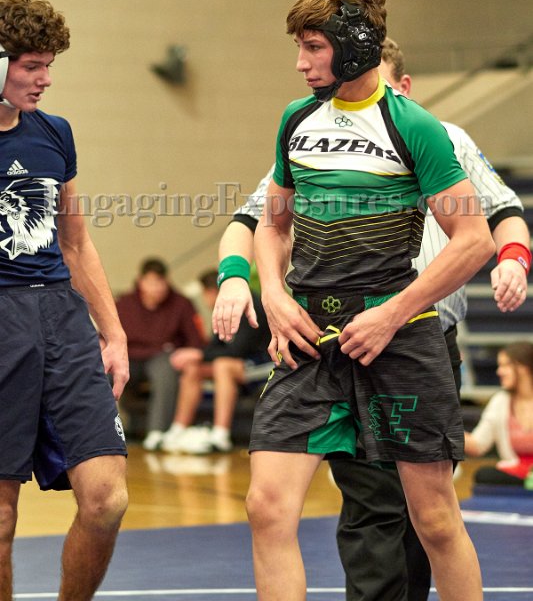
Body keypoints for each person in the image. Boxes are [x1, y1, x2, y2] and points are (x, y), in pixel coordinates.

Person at [214, 36, 531, 600]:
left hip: (420, 336)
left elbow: (500, 213)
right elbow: (257, 221)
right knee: (366, 506)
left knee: (427, 516)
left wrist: (514, 257)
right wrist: (244, 281)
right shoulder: (311, 128)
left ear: (399, 85)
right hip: (330, 338)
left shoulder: (438, 135)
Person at [0, 0, 129, 601]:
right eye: (32, 66)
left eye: (49, 66)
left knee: (107, 499)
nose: (45, 80)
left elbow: (75, 243)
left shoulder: (55, 133)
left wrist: (115, 334)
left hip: (60, 315)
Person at [161, 269, 272, 455]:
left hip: (264, 364)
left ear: (211, 292)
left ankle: (221, 434)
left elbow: (237, 350)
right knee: (194, 368)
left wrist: (198, 354)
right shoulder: (223, 308)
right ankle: (178, 429)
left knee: (222, 365)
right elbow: (214, 346)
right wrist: (197, 356)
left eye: (204, 294)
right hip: (239, 364)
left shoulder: (250, 304)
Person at [115, 257, 206, 451]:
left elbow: (196, 341)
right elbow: (106, 336)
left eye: (160, 282)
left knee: (165, 369)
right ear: (141, 281)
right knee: (104, 370)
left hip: (163, 356)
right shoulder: (124, 303)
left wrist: (189, 353)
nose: (156, 288)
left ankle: (157, 432)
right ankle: (105, 431)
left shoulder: (181, 303)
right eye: (151, 282)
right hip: (128, 357)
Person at [465, 341, 533, 486]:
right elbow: (477, 445)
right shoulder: (500, 401)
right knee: (484, 475)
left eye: (505, 365)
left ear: (524, 368)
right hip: (516, 476)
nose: (499, 372)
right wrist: (446, 429)